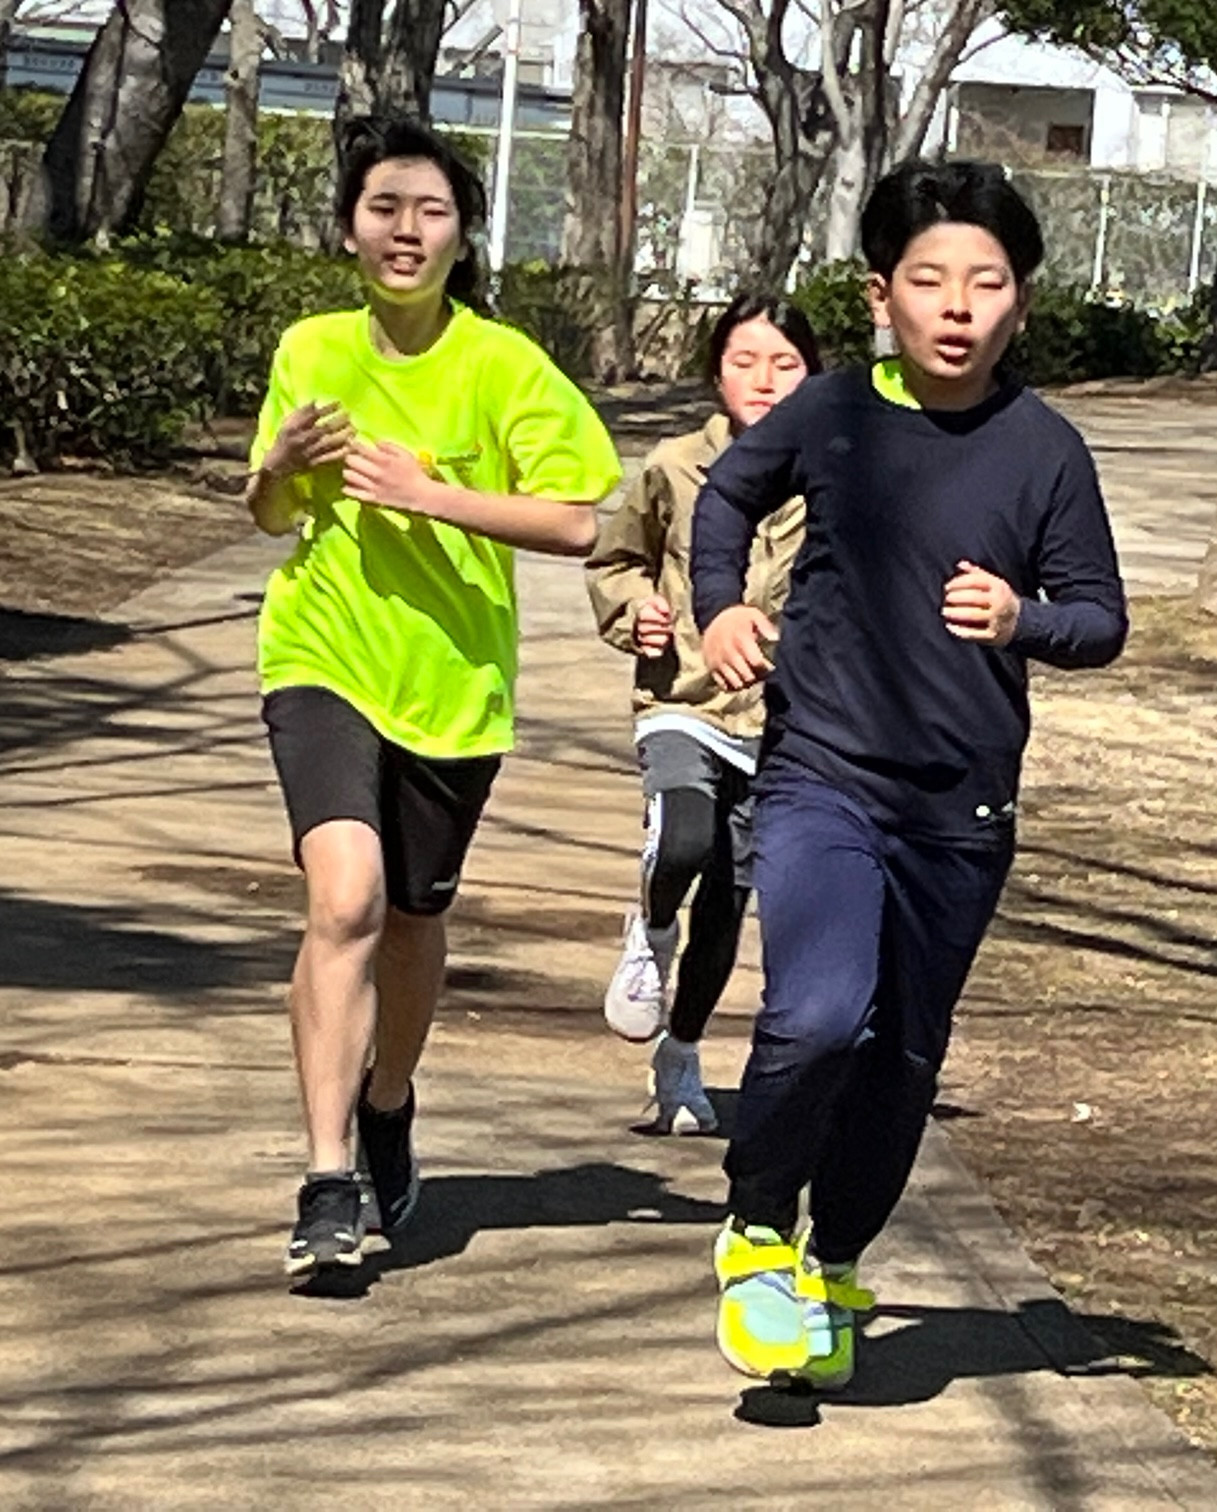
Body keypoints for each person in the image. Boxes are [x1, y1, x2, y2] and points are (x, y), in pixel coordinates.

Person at [690, 159, 1129, 1386]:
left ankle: (833, 1262)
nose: (957, 306)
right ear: (882, 295)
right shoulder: (831, 412)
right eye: (930, 281)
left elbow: (1101, 618)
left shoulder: (1046, 450)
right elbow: (725, 498)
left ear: (1021, 301)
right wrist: (720, 608)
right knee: (823, 1012)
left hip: (961, 808)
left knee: (901, 1060)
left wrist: (1024, 618)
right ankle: (757, 1228)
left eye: (986, 283)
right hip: (824, 771)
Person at [247, 115, 623, 1280]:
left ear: (463, 237)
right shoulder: (311, 348)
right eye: (383, 209)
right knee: (345, 900)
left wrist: (428, 494)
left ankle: (388, 1098)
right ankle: (326, 1178)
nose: (405, 231)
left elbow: (578, 520)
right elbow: (267, 511)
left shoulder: (502, 365)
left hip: (453, 688)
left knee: (410, 919)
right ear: (349, 229)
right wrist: (279, 467)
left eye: (431, 212)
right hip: (320, 654)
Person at [584, 294, 821, 1134]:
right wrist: (637, 611)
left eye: (786, 364)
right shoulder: (675, 466)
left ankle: (681, 1055)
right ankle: (651, 930)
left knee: (728, 898)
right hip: (681, 695)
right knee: (684, 837)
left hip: (782, 720)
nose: (764, 380)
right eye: (744, 361)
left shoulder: (833, 479)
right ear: (717, 373)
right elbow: (616, 559)